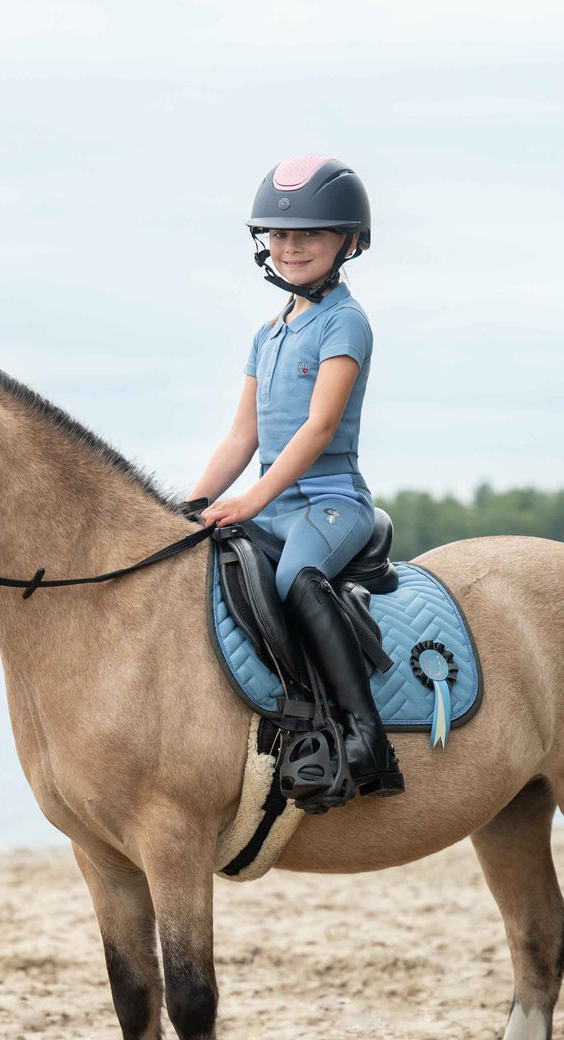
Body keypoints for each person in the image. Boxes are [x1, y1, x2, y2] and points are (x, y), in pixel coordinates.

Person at [192, 154, 403, 801]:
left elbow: (318, 429)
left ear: (350, 242)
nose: (291, 247)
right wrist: (193, 503)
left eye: (309, 234)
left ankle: (366, 736)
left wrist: (253, 496)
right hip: (274, 503)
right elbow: (242, 435)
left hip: (331, 503)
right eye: (280, 235)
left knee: (293, 580)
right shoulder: (268, 333)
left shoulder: (345, 321)